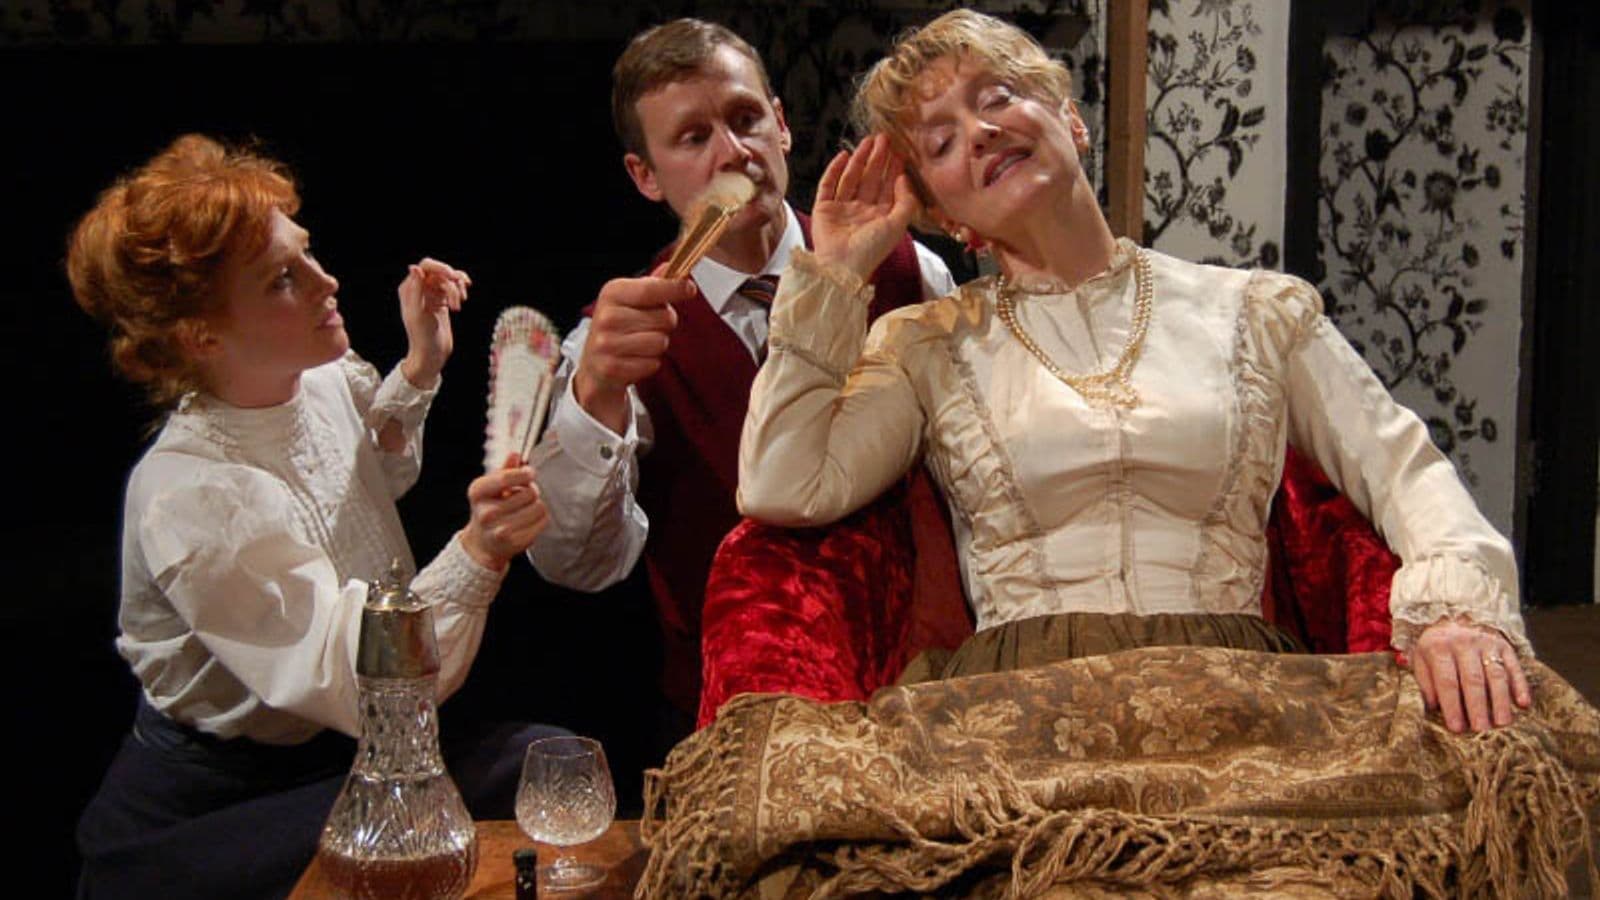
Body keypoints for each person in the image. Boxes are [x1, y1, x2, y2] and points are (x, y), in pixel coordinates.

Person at [736, 8, 1532, 736]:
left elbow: (1403, 469)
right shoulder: (924, 343)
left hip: (1240, 697)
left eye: (998, 97)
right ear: (948, 220)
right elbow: (785, 484)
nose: (978, 133)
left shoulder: (1259, 311)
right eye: (940, 143)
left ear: (1070, 118)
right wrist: (833, 276)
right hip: (1019, 713)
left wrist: (1454, 613)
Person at [69, 134, 561, 899]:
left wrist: (421, 365)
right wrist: (479, 550)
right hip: (233, 800)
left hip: (349, 748)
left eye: (307, 254)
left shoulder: (317, 377)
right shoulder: (194, 495)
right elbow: (361, 685)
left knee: (548, 767)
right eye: (281, 279)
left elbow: (363, 471)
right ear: (201, 335)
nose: (327, 281)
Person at [525, 18, 958, 740]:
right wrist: (594, 397)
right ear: (645, 175)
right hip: (729, 716)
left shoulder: (909, 272)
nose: (733, 153)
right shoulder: (616, 339)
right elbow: (576, 563)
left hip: (916, 695)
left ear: (781, 126)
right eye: (693, 138)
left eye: (746, 118)